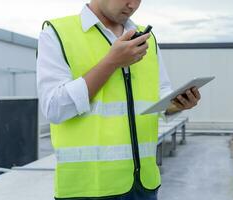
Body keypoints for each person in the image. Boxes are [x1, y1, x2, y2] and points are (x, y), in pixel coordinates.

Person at [36, 0, 201, 199]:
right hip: (88, 190)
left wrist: (177, 105)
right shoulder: (57, 33)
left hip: (144, 186)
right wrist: (112, 62)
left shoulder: (147, 38)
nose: (132, 5)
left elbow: (158, 97)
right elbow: (54, 108)